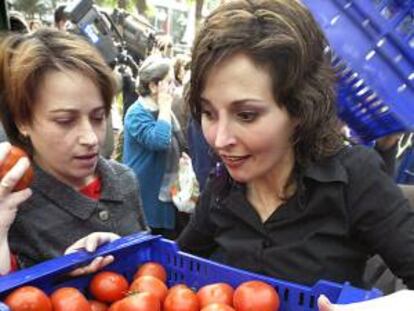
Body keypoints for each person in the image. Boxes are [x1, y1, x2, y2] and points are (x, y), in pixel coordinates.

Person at [176, 0, 414, 309]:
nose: (220, 140)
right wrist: (110, 251)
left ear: (300, 108)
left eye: (246, 115)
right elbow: (172, 267)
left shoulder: (354, 178)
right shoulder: (221, 188)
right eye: (208, 113)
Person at [0, 28, 148, 274]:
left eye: (99, 117)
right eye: (66, 121)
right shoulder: (13, 204)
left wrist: (127, 252)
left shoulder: (125, 181)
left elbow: (150, 268)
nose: (90, 138)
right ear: (22, 120)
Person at [123, 55, 187, 239]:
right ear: (153, 86)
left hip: (165, 190)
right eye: (169, 82)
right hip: (146, 194)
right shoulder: (136, 113)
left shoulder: (160, 109)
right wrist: (166, 107)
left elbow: (175, 139)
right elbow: (159, 141)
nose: (173, 86)